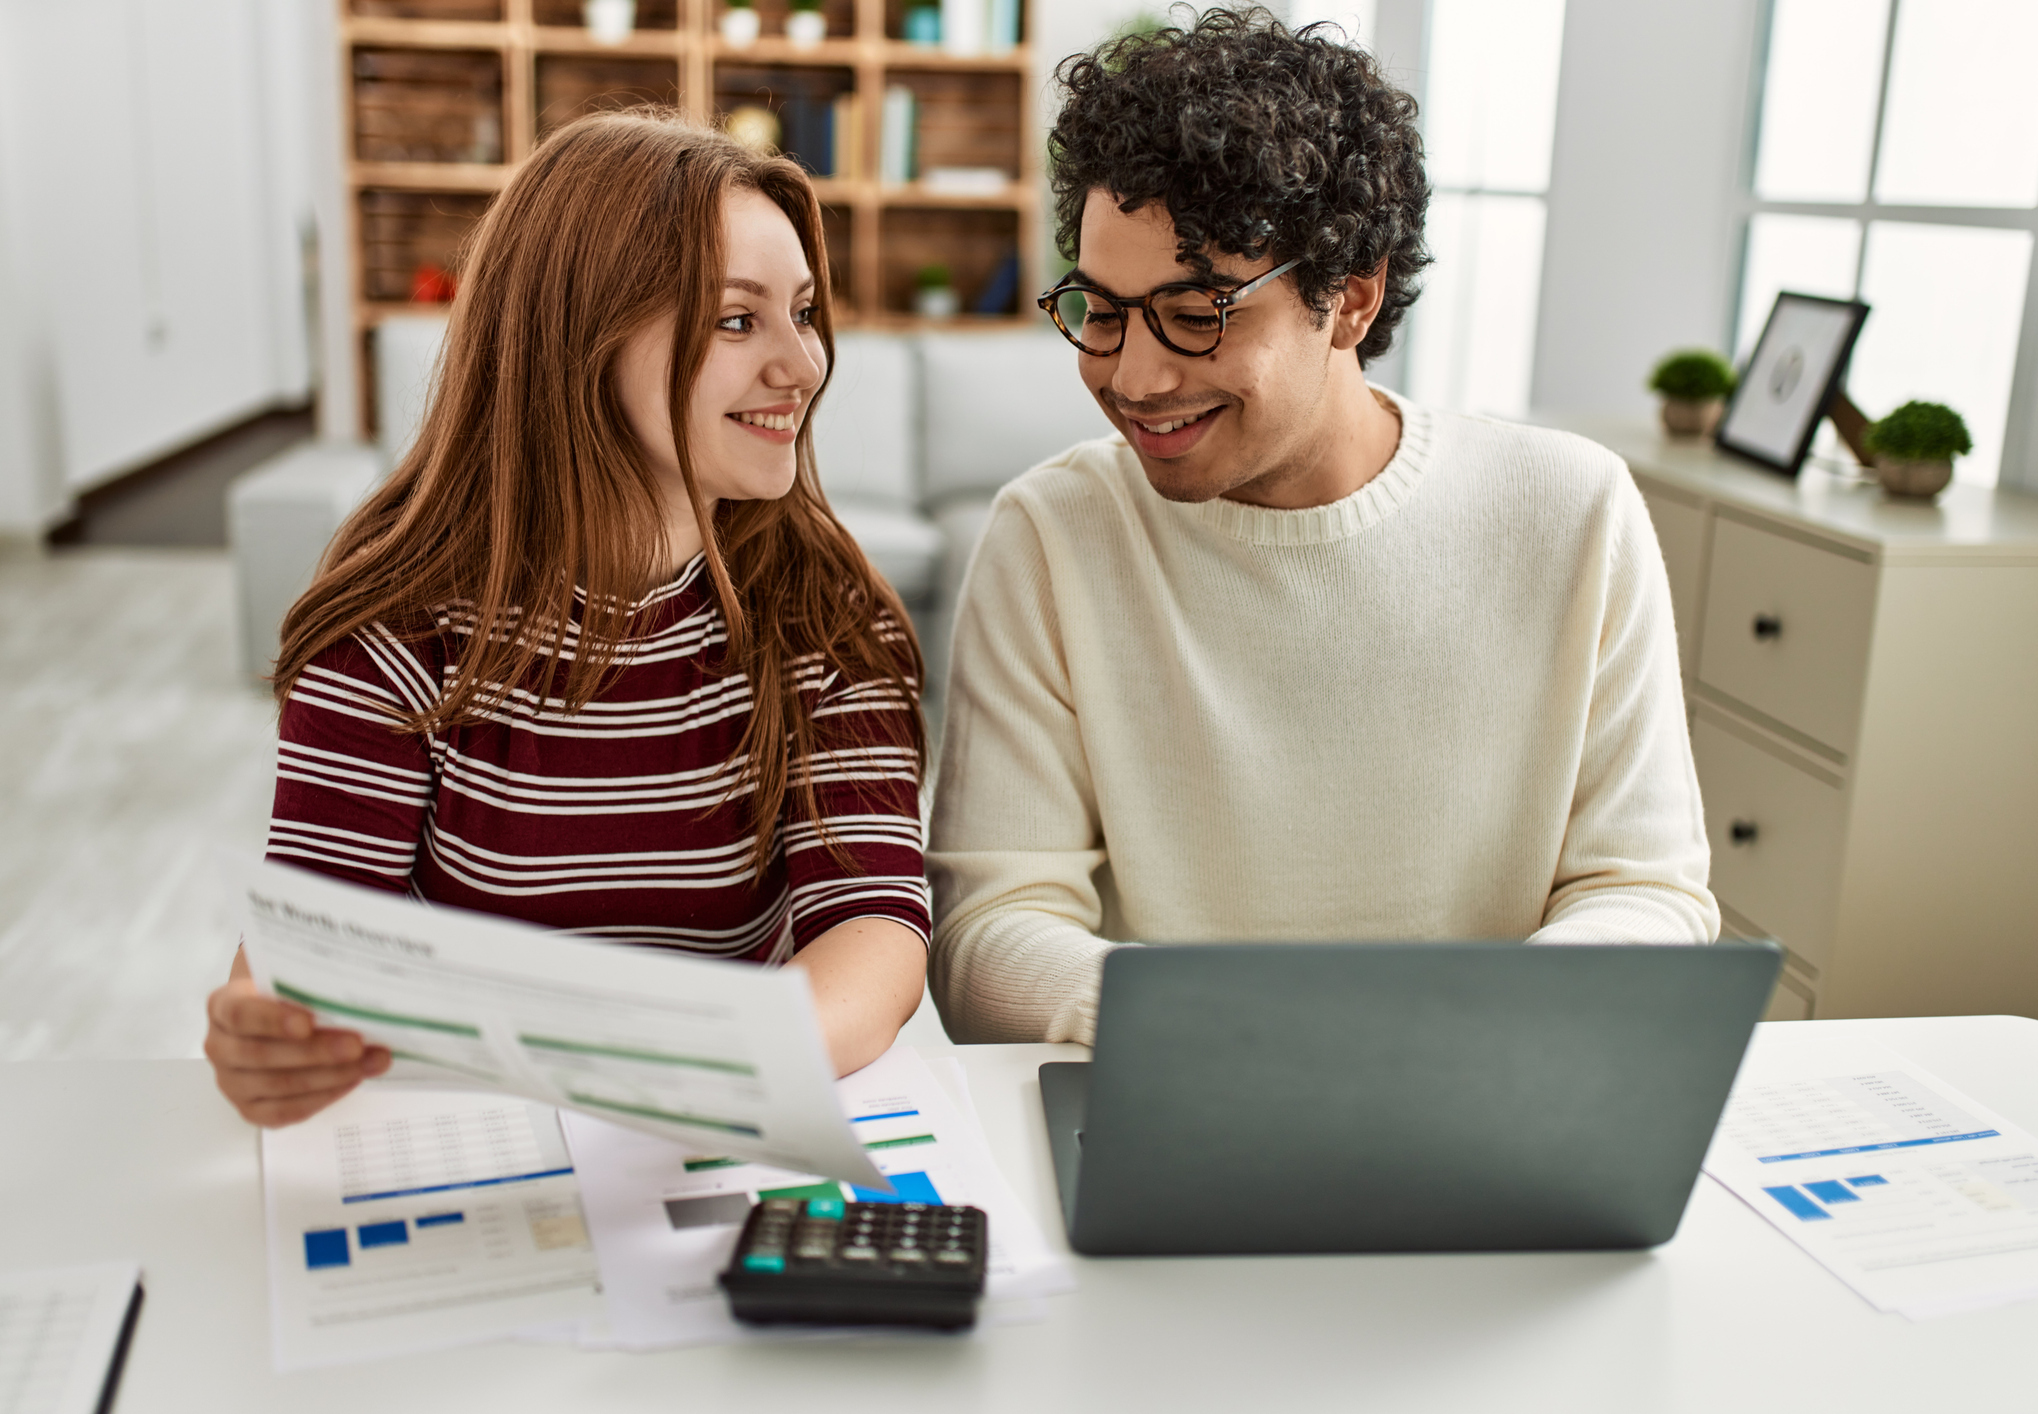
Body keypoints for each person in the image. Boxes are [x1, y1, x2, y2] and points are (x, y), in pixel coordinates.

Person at [927, 8, 1717, 1044]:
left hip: (1486, 1093)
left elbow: (1651, 896)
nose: (1133, 377)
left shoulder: (1570, 512)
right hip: (1172, 1094)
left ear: (1349, 297)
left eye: (1198, 311)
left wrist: (1452, 1033)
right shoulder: (1053, 533)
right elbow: (989, 932)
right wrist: (1245, 1039)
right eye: (1103, 309)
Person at [205, 113, 930, 1126]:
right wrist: (271, 1039)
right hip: (471, 1139)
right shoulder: (394, 636)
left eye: (803, 314)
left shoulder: (825, 617)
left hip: (730, 1127)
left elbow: (873, 930)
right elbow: (306, 956)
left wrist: (653, 1070)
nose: (802, 365)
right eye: (736, 320)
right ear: (581, 338)